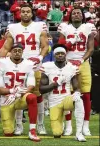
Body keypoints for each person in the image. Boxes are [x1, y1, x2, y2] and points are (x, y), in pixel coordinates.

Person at [0, 3, 49, 135]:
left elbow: (45, 46)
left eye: (28, 11)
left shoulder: (39, 26)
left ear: (32, 13)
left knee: (38, 96)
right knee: (17, 94)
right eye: (23, 11)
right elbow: (5, 47)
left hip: (34, 65)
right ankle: (19, 125)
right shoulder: (13, 27)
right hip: (18, 65)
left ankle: (40, 124)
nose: (25, 13)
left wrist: (40, 58)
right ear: (20, 13)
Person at [58, 8, 97, 136]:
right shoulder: (65, 27)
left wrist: (80, 60)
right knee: (67, 95)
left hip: (83, 62)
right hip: (68, 63)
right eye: (73, 13)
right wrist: (71, 41)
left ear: (82, 16)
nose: (76, 15)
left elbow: (91, 49)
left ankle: (85, 125)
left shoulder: (88, 27)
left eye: (78, 13)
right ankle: (68, 125)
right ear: (70, 16)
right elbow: (61, 48)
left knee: (86, 95)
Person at [39, 44, 86, 142]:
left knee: (78, 100)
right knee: (57, 134)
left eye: (62, 54)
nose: (60, 55)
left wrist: (77, 92)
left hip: (66, 99)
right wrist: (55, 84)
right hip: (54, 102)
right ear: (54, 55)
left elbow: (76, 87)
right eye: (57, 54)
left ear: (65, 55)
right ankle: (61, 122)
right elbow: (41, 89)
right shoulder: (47, 67)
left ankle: (79, 133)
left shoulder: (71, 67)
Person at [0, 43, 40, 142]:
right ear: (10, 52)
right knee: (8, 133)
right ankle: (17, 123)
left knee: (32, 97)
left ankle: (32, 130)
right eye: (14, 51)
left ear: (22, 52)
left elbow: (31, 85)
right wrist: (12, 91)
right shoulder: (2, 63)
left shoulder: (28, 64)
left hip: (21, 97)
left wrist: (19, 93)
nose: (17, 53)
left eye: (19, 51)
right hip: (7, 99)